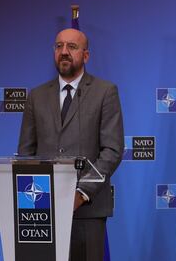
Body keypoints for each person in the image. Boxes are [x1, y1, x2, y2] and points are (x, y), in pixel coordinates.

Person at [18, 28, 124, 261]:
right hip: (42, 212)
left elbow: (112, 150)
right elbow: (26, 153)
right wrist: (33, 201)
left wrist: (81, 193)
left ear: (85, 55)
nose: (64, 52)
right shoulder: (36, 96)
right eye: (59, 46)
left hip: (87, 209)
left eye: (71, 47)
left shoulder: (105, 92)